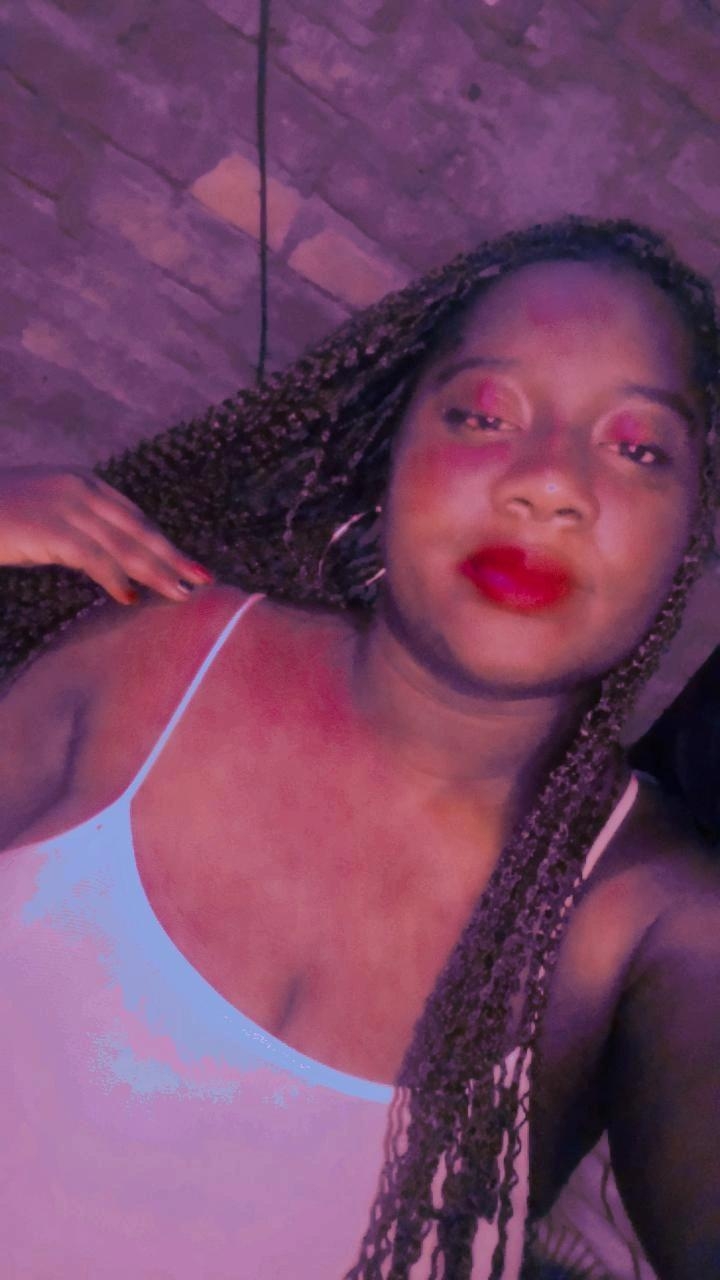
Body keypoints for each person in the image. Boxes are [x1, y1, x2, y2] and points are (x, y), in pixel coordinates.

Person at [0, 216, 718, 1280]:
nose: (548, 485)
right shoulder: (141, 654)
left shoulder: (645, 922)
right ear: (392, 454)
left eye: (637, 448)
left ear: (690, 530)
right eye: (483, 415)